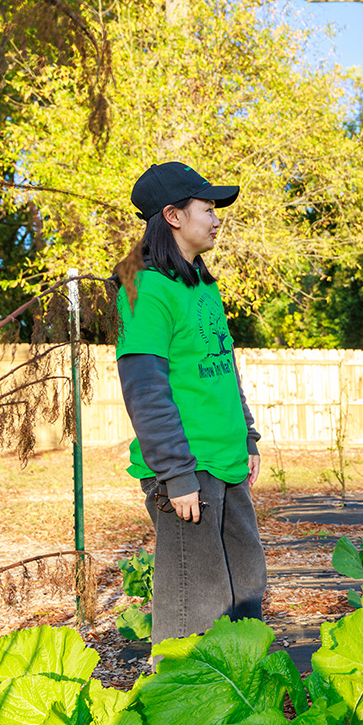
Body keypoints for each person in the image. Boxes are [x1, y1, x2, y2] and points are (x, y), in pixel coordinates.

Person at [113, 161, 266, 645]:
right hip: (187, 471)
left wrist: (247, 435)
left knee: (245, 592)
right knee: (195, 612)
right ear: (174, 216)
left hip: (226, 462)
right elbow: (144, 389)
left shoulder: (201, 283)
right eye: (208, 208)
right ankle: (183, 716)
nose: (217, 217)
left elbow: (224, 365)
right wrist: (176, 473)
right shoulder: (144, 288)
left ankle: (242, 708)